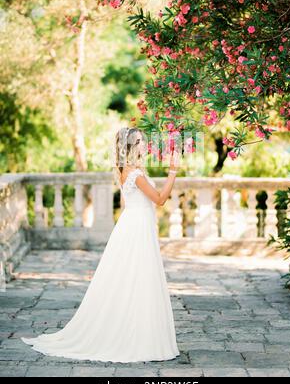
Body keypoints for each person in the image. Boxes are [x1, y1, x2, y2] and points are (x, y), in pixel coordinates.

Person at [21, 126, 181, 363]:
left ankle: (140, 333)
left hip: (136, 226)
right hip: (135, 229)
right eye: (137, 142)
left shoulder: (132, 170)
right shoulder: (134, 173)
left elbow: (136, 203)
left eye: (142, 141)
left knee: (138, 279)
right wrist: (173, 172)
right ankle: (135, 337)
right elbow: (159, 200)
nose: (143, 145)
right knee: (137, 278)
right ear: (127, 148)